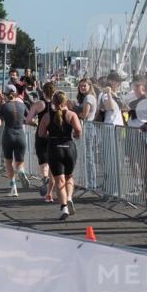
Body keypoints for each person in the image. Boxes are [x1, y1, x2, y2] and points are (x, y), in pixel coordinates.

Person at [38, 91, 83, 220]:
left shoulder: (47, 116)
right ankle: (69, 198)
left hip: (54, 147)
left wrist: (50, 135)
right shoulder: (71, 114)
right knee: (69, 177)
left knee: (59, 180)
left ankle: (64, 207)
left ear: (53, 102)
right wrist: (75, 135)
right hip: (69, 147)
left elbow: (41, 133)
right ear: (65, 101)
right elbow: (79, 130)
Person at [0, 84, 31, 196]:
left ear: (5, 94)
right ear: (16, 93)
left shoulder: (3, 107)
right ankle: (21, 170)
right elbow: (29, 119)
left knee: (8, 162)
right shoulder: (22, 105)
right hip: (20, 135)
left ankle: (13, 188)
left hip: (8, 135)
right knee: (19, 162)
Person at [26, 80, 56, 201]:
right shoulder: (57, 104)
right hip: (53, 135)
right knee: (53, 164)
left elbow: (28, 120)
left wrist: (35, 124)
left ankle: (44, 178)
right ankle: (50, 190)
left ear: (43, 92)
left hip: (41, 134)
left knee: (43, 161)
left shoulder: (39, 104)